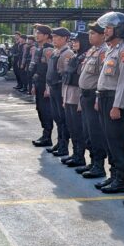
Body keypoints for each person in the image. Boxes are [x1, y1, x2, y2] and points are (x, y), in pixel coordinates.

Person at [94, 12, 124, 194]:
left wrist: (117, 106)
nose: (105, 31)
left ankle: (121, 180)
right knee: (107, 139)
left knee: (116, 140)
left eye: (109, 28)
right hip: (104, 97)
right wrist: (98, 98)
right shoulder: (112, 49)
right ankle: (113, 175)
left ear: (118, 29)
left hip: (114, 100)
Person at [77, 21, 109, 179]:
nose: (90, 36)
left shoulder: (104, 52)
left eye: (93, 33)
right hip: (85, 95)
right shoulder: (92, 50)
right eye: (89, 33)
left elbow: (102, 78)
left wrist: (97, 97)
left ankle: (99, 165)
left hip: (93, 97)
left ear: (103, 35)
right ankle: (92, 162)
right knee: (87, 131)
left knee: (95, 132)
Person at [61, 33, 90, 168]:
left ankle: (80, 156)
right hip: (68, 96)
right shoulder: (74, 56)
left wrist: (79, 102)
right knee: (71, 127)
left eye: (77, 41)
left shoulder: (85, 57)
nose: (74, 43)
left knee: (78, 128)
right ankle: (75, 153)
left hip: (76, 96)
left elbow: (82, 82)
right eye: (73, 41)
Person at [46, 28, 74, 157]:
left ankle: (64, 146)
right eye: (53, 37)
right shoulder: (56, 52)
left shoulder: (67, 53)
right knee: (57, 117)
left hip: (60, 89)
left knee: (63, 119)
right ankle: (59, 142)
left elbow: (66, 75)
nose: (54, 39)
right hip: (53, 88)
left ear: (65, 38)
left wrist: (64, 94)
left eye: (57, 37)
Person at [31, 24, 55, 148]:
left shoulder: (49, 50)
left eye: (39, 33)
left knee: (46, 110)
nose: (37, 35)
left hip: (45, 84)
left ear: (46, 35)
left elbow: (50, 70)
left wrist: (47, 86)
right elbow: (37, 69)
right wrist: (34, 85)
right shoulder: (40, 48)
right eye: (36, 33)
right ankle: (44, 134)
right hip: (39, 83)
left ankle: (48, 136)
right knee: (40, 109)